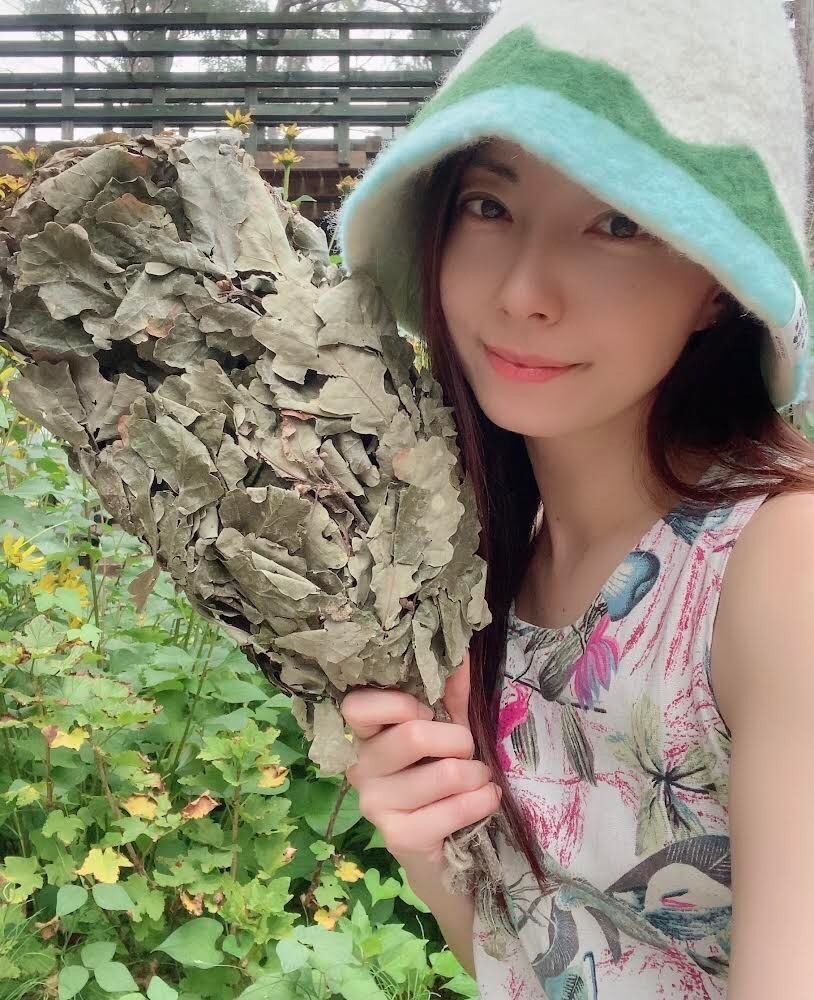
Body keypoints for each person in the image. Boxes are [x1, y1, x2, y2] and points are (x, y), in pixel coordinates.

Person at [335, 1, 814, 996]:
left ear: (719, 282)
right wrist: (427, 841)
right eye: (488, 205)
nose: (523, 290)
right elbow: (535, 964)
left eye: (618, 222)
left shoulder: (778, 566)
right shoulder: (478, 556)